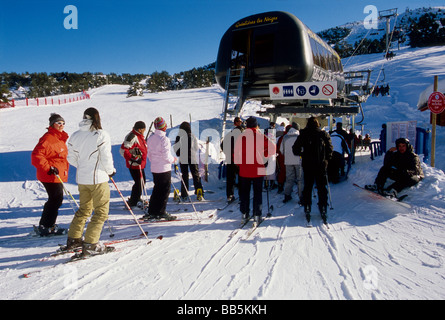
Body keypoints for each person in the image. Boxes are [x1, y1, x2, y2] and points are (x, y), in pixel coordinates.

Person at [65, 107, 116, 257]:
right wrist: (110, 171)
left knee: (84, 209)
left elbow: (71, 158)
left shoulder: (75, 135)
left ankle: (74, 239)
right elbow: (106, 156)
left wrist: (83, 166)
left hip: (82, 179)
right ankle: (91, 244)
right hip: (98, 178)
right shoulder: (101, 134)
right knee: (101, 212)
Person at [31, 113, 69, 236]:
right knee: (56, 199)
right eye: (58, 123)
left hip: (55, 175)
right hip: (50, 175)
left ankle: (47, 225)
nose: (61, 125)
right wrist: (49, 168)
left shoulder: (58, 138)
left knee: (56, 199)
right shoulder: (48, 138)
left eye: (63, 123)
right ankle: (46, 226)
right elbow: (36, 156)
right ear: (52, 124)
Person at [234, 116, 276, 224]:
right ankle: (257, 215)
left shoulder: (241, 137)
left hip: (244, 170)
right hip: (258, 169)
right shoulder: (261, 136)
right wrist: (264, 156)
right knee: (258, 193)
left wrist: (240, 164)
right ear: (256, 125)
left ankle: (244, 214)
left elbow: (235, 154)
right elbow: (273, 148)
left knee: (244, 193)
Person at [292, 117, 333, 223]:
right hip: (320, 164)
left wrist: (302, 154)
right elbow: (330, 148)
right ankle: (323, 205)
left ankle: (307, 206)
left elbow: (295, 149)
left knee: (308, 186)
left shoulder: (304, 134)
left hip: (308, 164)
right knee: (321, 186)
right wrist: (327, 159)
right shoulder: (323, 134)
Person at [143, 117, 177, 220]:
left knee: (157, 188)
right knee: (165, 190)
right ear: (163, 127)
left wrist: (154, 161)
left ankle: (152, 210)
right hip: (164, 168)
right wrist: (173, 159)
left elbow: (149, 153)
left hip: (155, 167)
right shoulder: (164, 139)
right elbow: (166, 155)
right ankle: (161, 211)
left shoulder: (151, 137)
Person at [120, 121, 148, 207]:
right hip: (135, 164)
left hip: (140, 163)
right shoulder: (132, 136)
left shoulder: (138, 136)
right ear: (139, 129)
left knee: (141, 182)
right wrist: (134, 158)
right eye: (143, 129)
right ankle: (133, 202)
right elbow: (123, 150)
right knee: (139, 182)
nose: (144, 131)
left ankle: (135, 198)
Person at [174, 121, 204, 201]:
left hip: (183, 158)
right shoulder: (193, 136)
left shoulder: (179, 137)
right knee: (195, 174)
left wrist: (179, 153)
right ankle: (199, 191)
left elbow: (176, 150)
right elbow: (196, 148)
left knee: (185, 175)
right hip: (193, 158)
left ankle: (184, 194)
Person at [221, 117, 244, 203]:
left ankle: (230, 195)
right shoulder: (243, 134)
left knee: (230, 178)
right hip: (240, 159)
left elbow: (222, 145)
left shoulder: (229, 134)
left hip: (230, 159)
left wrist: (227, 153)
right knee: (242, 178)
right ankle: (242, 196)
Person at [280, 123, 302, 204]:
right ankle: (301, 196)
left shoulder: (285, 137)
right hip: (298, 160)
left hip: (288, 161)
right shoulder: (299, 137)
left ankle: (287, 195)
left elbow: (281, 150)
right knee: (300, 179)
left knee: (289, 179)